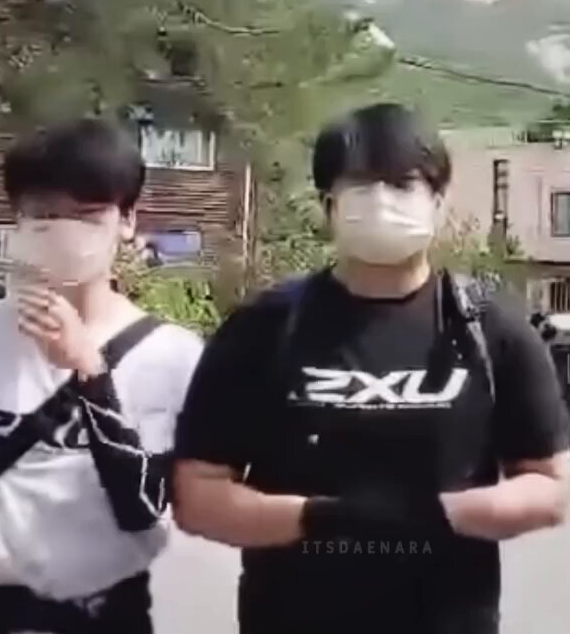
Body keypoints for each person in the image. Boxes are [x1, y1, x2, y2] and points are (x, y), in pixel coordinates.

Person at [172, 102, 570, 634]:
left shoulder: (492, 329)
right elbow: (197, 496)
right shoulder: (262, 328)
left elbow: (549, 489)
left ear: (438, 201)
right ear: (328, 204)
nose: (382, 201)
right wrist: (322, 519)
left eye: (403, 184)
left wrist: (436, 515)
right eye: (361, 184)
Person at [0, 118, 203, 634]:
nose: (65, 234)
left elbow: (144, 509)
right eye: (45, 216)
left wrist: (90, 373)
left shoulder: (175, 357)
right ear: (19, 220)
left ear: (127, 220)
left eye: (86, 215)